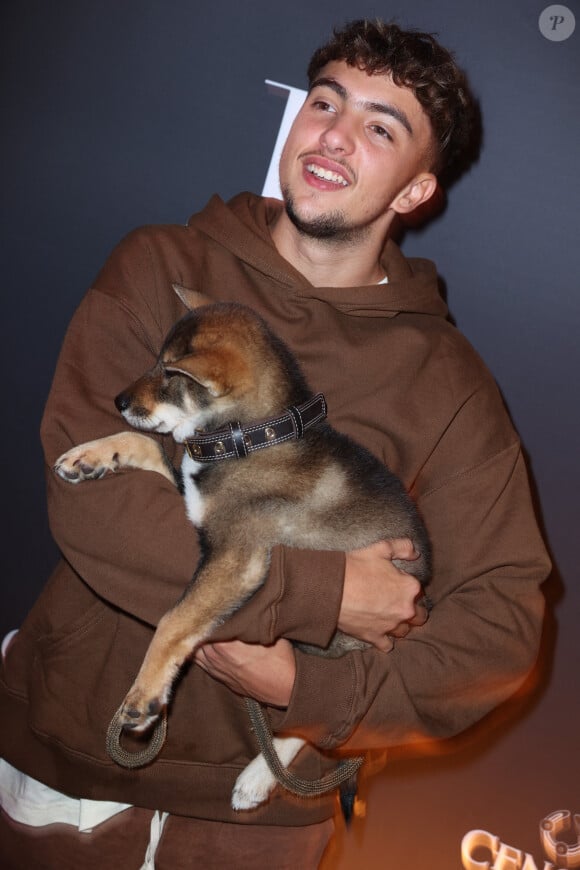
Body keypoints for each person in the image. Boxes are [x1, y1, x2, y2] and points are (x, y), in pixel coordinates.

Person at [0, 18, 550, 870]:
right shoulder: (163, 266)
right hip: (67, 764)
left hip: (258, 823)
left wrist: (313, 690)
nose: (334, 134)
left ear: (415, 192)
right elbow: (92, 501)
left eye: (380, 127)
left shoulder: (448, 382)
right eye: (325, 102)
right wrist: (320, 593)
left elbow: (504, 622)